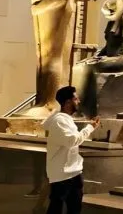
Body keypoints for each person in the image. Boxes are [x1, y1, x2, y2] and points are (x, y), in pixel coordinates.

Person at [43, 86, 100, 214]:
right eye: (76, 99)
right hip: (62, 175)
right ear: (68, 102)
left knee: (74, 209)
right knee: (56, 208)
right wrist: (89, 128)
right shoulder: (59, 121)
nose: (78, 101)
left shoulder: (65, 119)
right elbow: (71, 141)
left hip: (73, 172)